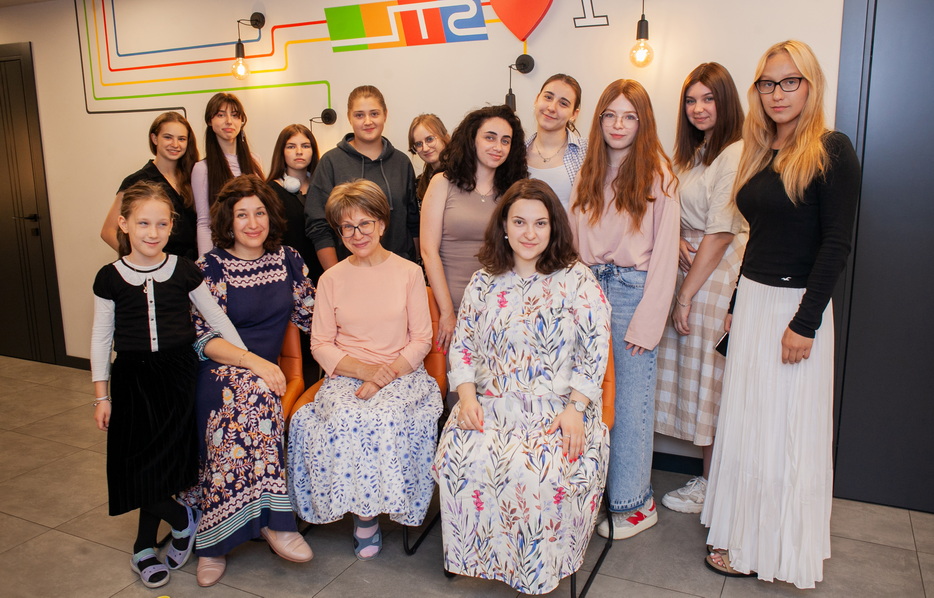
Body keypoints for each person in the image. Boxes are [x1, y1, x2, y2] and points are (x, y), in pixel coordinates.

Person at [701, 41, 861, 589]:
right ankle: (743, 532)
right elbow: (759, 239)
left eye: (790, 81)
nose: (777, 93)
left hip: (795, 307)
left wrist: (805, 323)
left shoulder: (831, 150)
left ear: (810, 85)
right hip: (754, 302)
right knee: (750, 424)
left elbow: (836, 244)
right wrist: (735, 304)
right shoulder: (761, 148)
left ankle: (771, 548)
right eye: (768, 83)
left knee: (783, 429)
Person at [433, 178, 611, 594]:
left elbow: (595, 349)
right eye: (519, 222)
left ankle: (535, 570)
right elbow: (463, 347)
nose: (530, 233)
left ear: (553, 228)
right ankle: (482, 559)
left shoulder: (577, 279)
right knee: (461, 459)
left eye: (540, 223)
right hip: (491, 404)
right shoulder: (483, 281)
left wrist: (576, 409)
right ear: (504, 226)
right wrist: (465, 397)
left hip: (560, 408)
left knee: (535, 473)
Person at [91, 181, 245, 589]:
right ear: (124, 224)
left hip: (177, 378)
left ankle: (143, 547)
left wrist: (246, 359)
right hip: (132, 380)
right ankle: (182, 518)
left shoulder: (184, 269)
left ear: (172, 226)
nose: (153, 232)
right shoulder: (109, 278)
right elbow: (100, 338)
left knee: (162, 467)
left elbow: (217, 318)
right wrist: (101, 395)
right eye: (143, 223)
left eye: (162, 224)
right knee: (131, 467)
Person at [288, 179, 442, 561]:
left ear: (382, 224)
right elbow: (320, 344)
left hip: (403, 373)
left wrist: (384, 375)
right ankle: (364, 516)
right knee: (345, 416)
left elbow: (422, 339)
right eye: (347, 227)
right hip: (346, 374)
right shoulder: (331, 279)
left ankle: (384, 504)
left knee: (385, 416)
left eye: (365, 224)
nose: (357, 234)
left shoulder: (409, 272)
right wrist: (364, 372)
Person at [184, 174, 315, 587]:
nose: (253, 223)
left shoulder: (289, 259)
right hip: (217, 370)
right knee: (254, 395)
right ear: (228, 220)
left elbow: (312, 315)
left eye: (259, 213)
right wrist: (254, 364)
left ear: (271, 216)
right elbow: (203, 338)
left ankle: (258, 525)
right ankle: (235, 536)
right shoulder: (210, 267)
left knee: (256, 396)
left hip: (262, 374)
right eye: (242, 215)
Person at [569, 79, 680, 540]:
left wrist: (648, 323)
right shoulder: (588, 171)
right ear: (599, 120)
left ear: (642, 122)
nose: (618, 125)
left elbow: (667, 254)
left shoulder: (659, 175)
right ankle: (594, 494)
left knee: (631, 403)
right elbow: (572, 241)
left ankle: (635, 504)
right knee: (586, 396)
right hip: (588, 288)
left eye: (629, 116)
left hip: (634, 292)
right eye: (610, 115)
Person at [654, 63, 747, 514]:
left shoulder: (735, 152)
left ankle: (714, 486)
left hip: (714, 273)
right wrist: (674, 240)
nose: (698, 108)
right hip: (689, 265)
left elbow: (722, 231)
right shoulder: (694, 153)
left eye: (708, 98)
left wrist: (685, 295)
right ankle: (710, 481)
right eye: (691, 100)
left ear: (726, 101)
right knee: (696, 377)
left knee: (712, 379)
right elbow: (669, 210)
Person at [420, 105, 528, 353]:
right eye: (490, 137)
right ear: (472, 139)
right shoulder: (442, 183)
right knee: (457, 376)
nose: (498, 146)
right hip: (451, 305)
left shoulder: (513, 191)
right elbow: (428, 251)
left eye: (505, 141)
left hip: (499, 308)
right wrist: (447, 312)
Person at [305, 85, 419, 269]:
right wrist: (336, 275)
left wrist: (414, 268)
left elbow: (413, 222)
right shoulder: (331, 162)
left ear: (385, 115)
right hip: (349, 271)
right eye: (359, 115)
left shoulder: (401, 162)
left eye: (374, 114)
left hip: (399, 270)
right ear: (349, 118)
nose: (367, 121)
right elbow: (318, 226)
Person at [100, 112, 200, 260]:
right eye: (168, 137)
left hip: (193, 266)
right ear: (154, 138)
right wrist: (144, 261)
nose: (175, 144)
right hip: (159, 268)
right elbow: (108, 231)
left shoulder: (194, 176)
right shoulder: (136, 181)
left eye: (181, 139)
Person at [192, 93, 264, 255]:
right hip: (223, 251)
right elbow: (204, 223)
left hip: (256, 248)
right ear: (210, 121)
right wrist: (206, 262)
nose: (229, 121)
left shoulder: (255, 161)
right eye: (221, 115)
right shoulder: (202, 169)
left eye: (235, 115)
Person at [266, 124, 323, 284]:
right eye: (291, 146)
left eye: (305, 146)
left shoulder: (323, 187)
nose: (299, 151)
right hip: (287, 275)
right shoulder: (270, 191)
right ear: (281, 152)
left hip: (322, 270)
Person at [525, 73, 587, 209]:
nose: (552, 108)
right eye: (548, 97)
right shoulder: (515, 152)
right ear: (537, 99)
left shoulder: (587, 153)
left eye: (563, 103)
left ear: (574, 114)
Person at [407, 113, 450, 208]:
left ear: (444, 136)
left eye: (430, 139)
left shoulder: (462, 175)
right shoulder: (420, 183)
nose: (425, 148)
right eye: (418, 144)